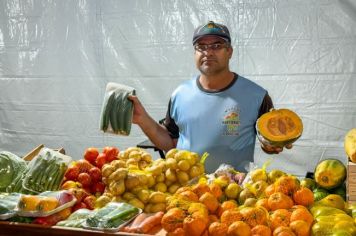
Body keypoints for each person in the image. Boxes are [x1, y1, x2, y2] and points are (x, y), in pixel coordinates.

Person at [129, 21, 291, 173]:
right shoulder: (180, 94)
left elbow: (268, 139)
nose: (208, 52)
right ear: (195, 53)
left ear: (230, 51)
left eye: (217, 46)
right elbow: (170, 142)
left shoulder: (256, 95)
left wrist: (273, 144)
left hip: (234, 192)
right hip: (188, 191)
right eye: (201, 46)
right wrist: (142, 119)